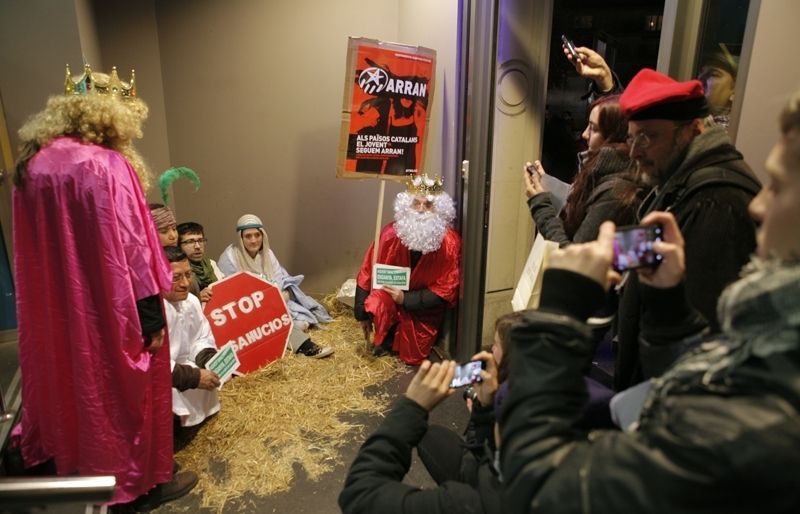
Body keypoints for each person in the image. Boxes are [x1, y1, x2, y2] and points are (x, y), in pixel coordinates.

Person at [500, 90, 800, 513]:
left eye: (780, 186)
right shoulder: (774, 341)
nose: (759, 204)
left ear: (691, 131)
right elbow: (712, 383)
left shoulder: (761, 425)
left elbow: (537, 484)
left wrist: (559, 312)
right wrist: (667, 306)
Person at [10, 64, 196, 509]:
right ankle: (138, 485)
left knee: (72, 383)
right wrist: (151, 318)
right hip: (112, 311)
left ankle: (69, 465)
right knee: (118, 393)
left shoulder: (33, 164)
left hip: (57, 309)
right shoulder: (107, 164)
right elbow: (133, 250)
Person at [613, 68, 760, 390]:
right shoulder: (678, 183)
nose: (635, 152)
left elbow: (696, 330)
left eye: (648, 136)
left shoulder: (716, 201)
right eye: (632, 137)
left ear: (692, 130)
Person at [339, 353, 503, 514]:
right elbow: (486, 455)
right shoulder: (519, 456)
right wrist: (485, 412)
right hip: (494, 473)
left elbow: (359, 497)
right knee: (433, 437)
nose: (489, 357)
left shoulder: (464, 503)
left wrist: (413, 407)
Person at [354, 175, 461, 365]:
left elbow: (447, 288)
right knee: (375, 303)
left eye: (428, 205)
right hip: (389, 300)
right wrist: (362, 313)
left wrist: (406, 299)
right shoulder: (389, 235)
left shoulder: (449, 244)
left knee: (414, 357)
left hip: (423, 311)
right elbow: (367, 272)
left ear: (438, 210)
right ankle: (385, 337)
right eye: (416, 204)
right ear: (407, 206)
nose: (421, 210)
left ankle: (397, 338)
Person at [525, 94, 644, 246]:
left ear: (615, 137)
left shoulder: (615, 195)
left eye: (593, 129)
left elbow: (573, 257)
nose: (584, 134)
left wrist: (540, 206)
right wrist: (547, 183)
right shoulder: (602, 173)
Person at [218, 214, 334, 358]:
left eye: (257, 235)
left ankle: (295, 323)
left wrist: (274, 294)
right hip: (247, 308)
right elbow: (230, 292)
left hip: (271, 299)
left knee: (316, 307)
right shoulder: (230, 258)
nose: (254, 240)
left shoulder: (267, 253)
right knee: (277, 320)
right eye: (248, 236)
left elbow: (278, 279)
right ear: (240, 238)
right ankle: (305, 347)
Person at [163, 246, 221, 428]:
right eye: (176, 278)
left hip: (183, 368)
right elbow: (151, 363)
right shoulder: (151, 311)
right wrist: (193, 378)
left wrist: (209, 359)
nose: (186, 284)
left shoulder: (191, 301)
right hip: (163, 377)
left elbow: (200, 337)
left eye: (188, 275)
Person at [177, 221, 224, 303]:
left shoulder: (210, 263)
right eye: (190, 242)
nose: (198, 246)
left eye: (200, 240)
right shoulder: (178, 271)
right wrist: (197, 297)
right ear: (179, 245)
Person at [697, 47, 739, 129]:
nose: (700, 78)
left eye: (714, 74)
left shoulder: (729, 134)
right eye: (701, 72)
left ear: (734, 91)